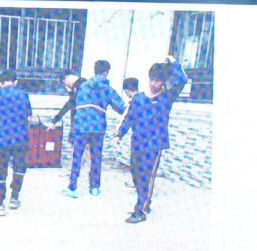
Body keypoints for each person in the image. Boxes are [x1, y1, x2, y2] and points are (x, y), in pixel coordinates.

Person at [116, 62, 173, 225]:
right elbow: (130, 117)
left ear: (164, 82)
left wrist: (173, 63)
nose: (153, 84)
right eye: (151, 79)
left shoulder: (167, 97)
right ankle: (145, 202)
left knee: (146, 177)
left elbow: (181, 79)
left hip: (154, 143)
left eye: (158, 81)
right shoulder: (138, 98)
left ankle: (140, 210)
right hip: (137, 142)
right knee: (135, 174)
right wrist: (120, 133)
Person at [59, 59, 126, 199]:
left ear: (94, 70)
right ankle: (94, 188)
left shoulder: (83, 87)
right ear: (106, 72)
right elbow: (121, 108)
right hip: (98, 128)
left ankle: (72, 188)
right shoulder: (108, 89)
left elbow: (75, 104)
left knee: (77, 157)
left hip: (81, 126)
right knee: (96, 157)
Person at [0, 69, 34, 214]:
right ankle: (14, 198)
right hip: (20, 140)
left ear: (0, 83)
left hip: (1, 140)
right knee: (19, 169)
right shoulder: (24, 95)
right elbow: (29, 119)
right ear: (15, 82)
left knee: (0, 171)